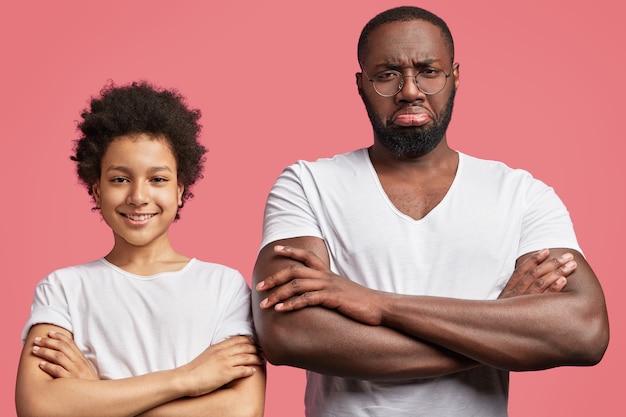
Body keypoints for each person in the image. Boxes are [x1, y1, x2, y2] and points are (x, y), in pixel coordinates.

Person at [252, 6, 609, 417]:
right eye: (386, 74)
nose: (409, 90)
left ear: (454, 76)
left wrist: (377, 304)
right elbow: (288, 334)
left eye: (428, 71)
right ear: (360, 84)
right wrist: (496, 331)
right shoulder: (308, 185)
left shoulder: (522, 194)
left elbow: (585, 331)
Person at [16, 81, 265, 417]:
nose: (138, 197)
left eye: (157, 179)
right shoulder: (62, 289)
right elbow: (38, 407)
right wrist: (186, 379)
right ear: (96, 190)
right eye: (120, 179)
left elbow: (241, 410)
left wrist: (96, 398)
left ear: (180, 190)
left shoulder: (224, 287)